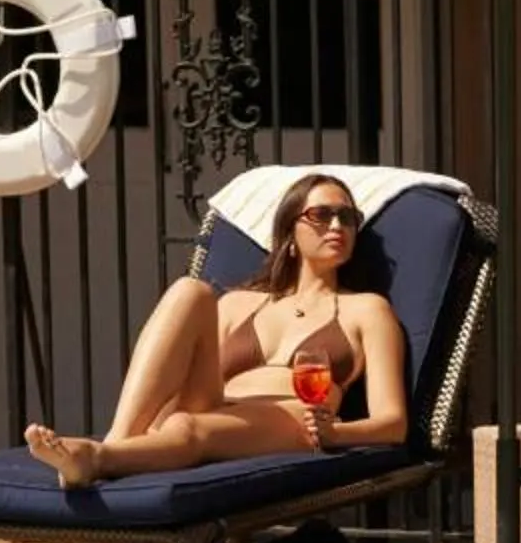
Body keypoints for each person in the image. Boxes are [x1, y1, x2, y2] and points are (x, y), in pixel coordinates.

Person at [23, 172, 409, 488]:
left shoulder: (368, 310)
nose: (338, 225)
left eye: (348, 217)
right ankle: (119, 439)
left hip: (292, 420)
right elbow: (189, 375)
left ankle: (96, 459)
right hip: (217, 403)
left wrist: (335, 434)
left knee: (185, 425)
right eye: (321, 215)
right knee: (192, 290)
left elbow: (393, 423)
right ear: (290, 233)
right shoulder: (239, 303)